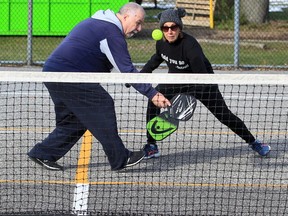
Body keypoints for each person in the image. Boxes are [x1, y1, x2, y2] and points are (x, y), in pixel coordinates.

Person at [27, 2, 171, 171]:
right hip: (69, 75)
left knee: (74, 121)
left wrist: (133, 81)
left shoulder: (97, 23)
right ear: (125, 17)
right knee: (103, 104)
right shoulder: (111, 32)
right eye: (137, 22)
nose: (139, 28)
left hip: (53, 72)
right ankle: (120, 158)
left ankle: (43, 153)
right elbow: (128, 70)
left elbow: (115, 65)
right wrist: (153, 94)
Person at [141, 8, 271, 159]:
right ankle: (151, 145)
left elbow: (201, 77)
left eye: (174, 27)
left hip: (204, 83)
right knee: (153, 100)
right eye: (166, 28)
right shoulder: (161, 43)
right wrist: (137, 79)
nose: (170, 31)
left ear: (179, 28)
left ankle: (254, 142)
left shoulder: (190, 46)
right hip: (176, 80)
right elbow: (155, 60)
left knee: (224, 116)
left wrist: (187, 99)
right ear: (161, 29)